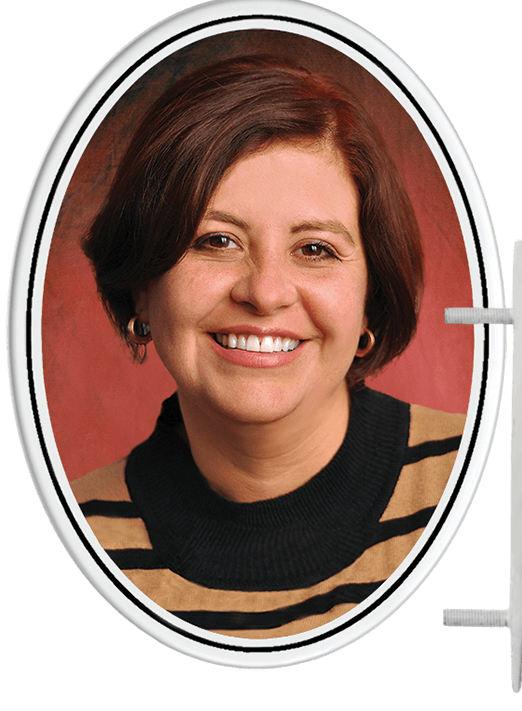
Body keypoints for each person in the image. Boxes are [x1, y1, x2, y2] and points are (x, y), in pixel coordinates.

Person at [71, 56, 465, 639]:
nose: (265, 292)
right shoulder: (66, 540)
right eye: (216, 240)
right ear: (142, 291)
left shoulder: (492, 488)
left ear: (368, 302)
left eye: (315, 250)